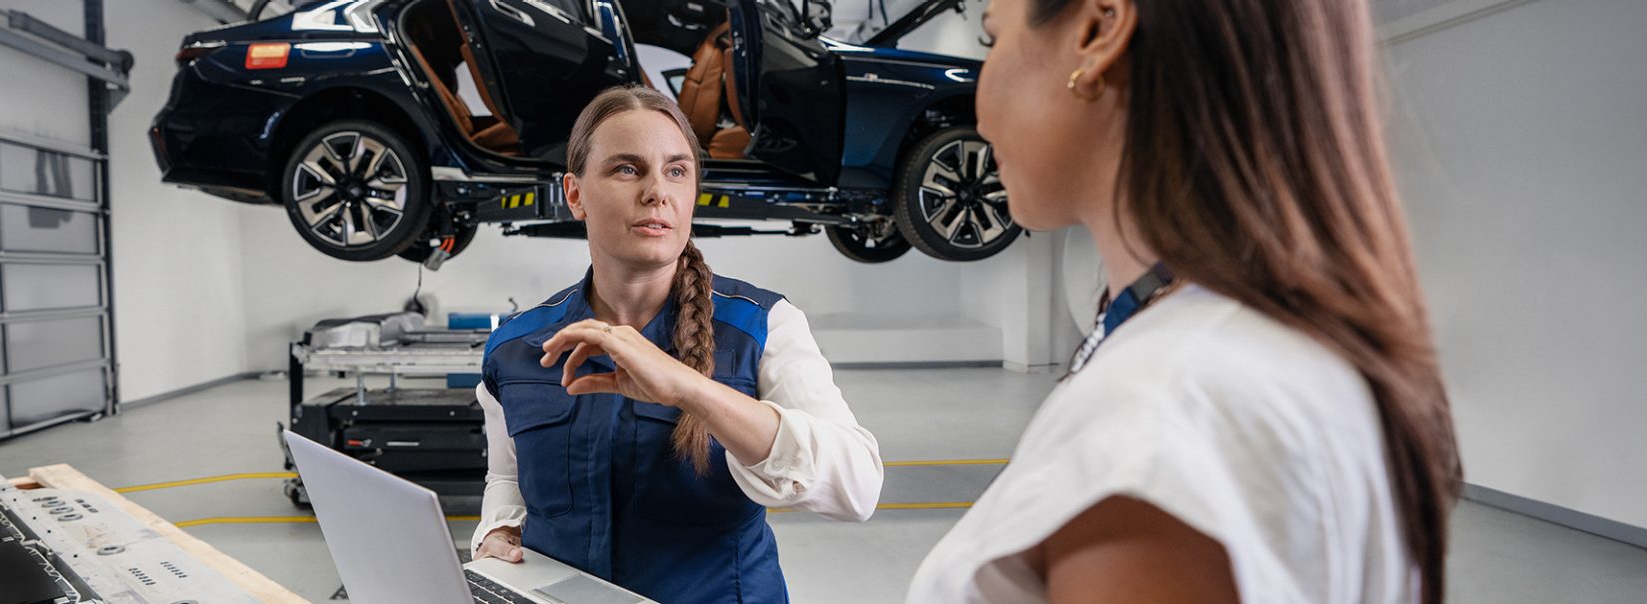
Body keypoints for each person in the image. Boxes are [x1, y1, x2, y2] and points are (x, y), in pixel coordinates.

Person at [907, 0, 1462, 602]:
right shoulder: (1276, 347)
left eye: (993, 42)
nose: (976, 109)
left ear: (1098, 31)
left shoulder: (1161, 416)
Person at [469, 86, 884, 603]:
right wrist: (498, 532)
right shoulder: (515, 349)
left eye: (677, 170)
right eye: (627, 169)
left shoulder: (763, 327)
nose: (656, 192)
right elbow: (506, 478)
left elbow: (858, 488)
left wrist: (690, 390)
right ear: (575, 195)